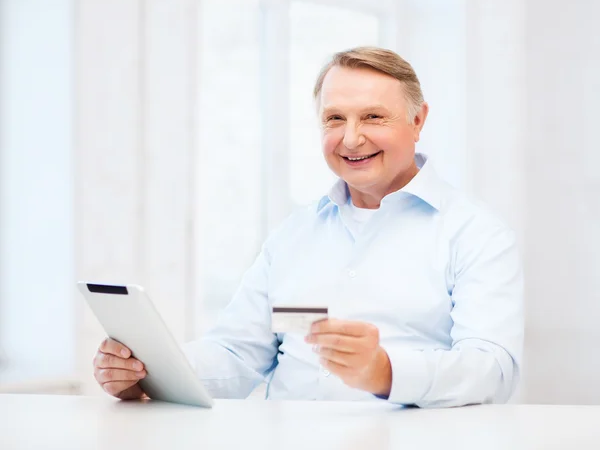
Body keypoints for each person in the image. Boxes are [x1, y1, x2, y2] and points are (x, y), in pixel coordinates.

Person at [92, 47, 523, 408]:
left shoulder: (475, 234)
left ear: (417, 121)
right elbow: (237, 354)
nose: (351, 138)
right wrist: (144, 373)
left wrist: (386, 371)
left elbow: (493, 370)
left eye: (373, 117)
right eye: (335, 119)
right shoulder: (294, 235)